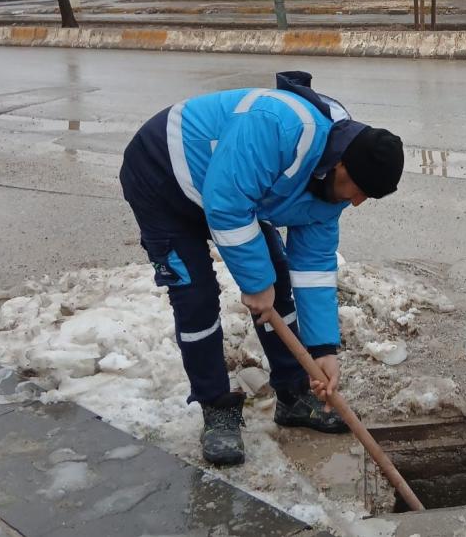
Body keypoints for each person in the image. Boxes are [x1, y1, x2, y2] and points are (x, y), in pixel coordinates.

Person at [119, 71, 404, 465]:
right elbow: (226, 205)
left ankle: (292, 392)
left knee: (280, 280)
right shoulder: (278, 126)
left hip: (228, 191)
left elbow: (315, 267)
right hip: (163, 176)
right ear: (339, 164)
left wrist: (323, 349)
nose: (356, 203)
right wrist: (255, 283)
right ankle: (216, 407)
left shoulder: (333, 187)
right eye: (357, 190)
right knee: (196, 295)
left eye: (365, 197)